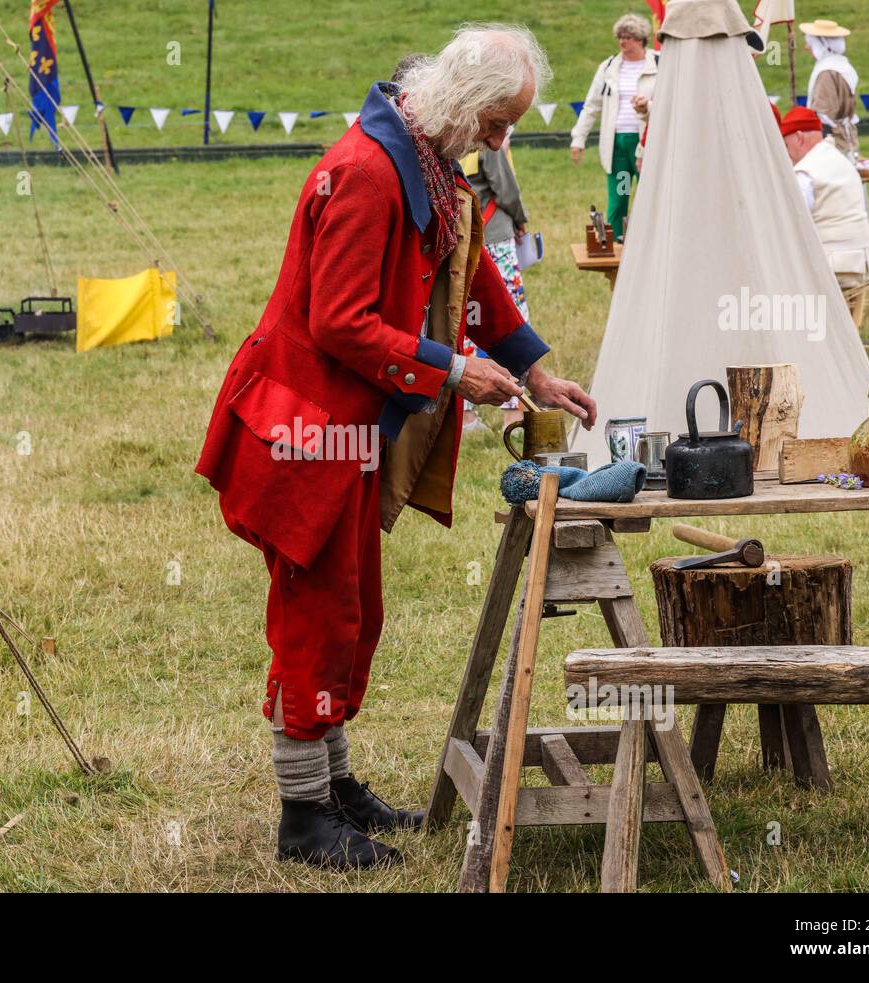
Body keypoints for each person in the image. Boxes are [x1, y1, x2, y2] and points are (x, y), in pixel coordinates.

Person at [196, 24, 596, 871]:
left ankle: (333, 787)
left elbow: (469, 274)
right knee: (316, 615)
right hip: (304, 432)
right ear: (458, 102)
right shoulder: (371, 175)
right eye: (496, 121)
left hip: (345, 431)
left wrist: (537, 369)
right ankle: (303, 820)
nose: (501, 140)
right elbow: (338, 322)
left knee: (353, 613)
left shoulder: (429, 165)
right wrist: (454, 368)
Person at [780, 106, 869, 327]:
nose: (786, 152)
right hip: (860, 262)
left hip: (831, 265)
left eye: (786, 144)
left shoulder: (806, 172)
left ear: (799, 138)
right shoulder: (843, 162)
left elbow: (792, 222)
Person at [570, 13, 658, 242]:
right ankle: (619, 243)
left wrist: (648, 105)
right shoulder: (609, 67)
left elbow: (672, 102)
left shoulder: (659, 63)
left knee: (652, 196)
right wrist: (578, 139)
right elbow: (591, 106)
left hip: (648, 144)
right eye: (620, 37)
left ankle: (653, 242)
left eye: (628, 37)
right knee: (620, 195)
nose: (622, 42)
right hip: (618, 146)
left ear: (640, 39)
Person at [462, 139, 531, 429]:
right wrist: (520, 218)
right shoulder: (487, 138)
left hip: (465, 237)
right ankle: (513, 411)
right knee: (512, 320)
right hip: (495, 234)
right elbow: (504, 187)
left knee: (465, 322)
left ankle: (464, 414)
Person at [801, 18, 860, 158]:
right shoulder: (842, 66)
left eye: (810, 42)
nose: (807, 47)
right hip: (844, 137)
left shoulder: (827, 72)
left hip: (833, 142)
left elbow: (824, 113)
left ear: (820, 44)